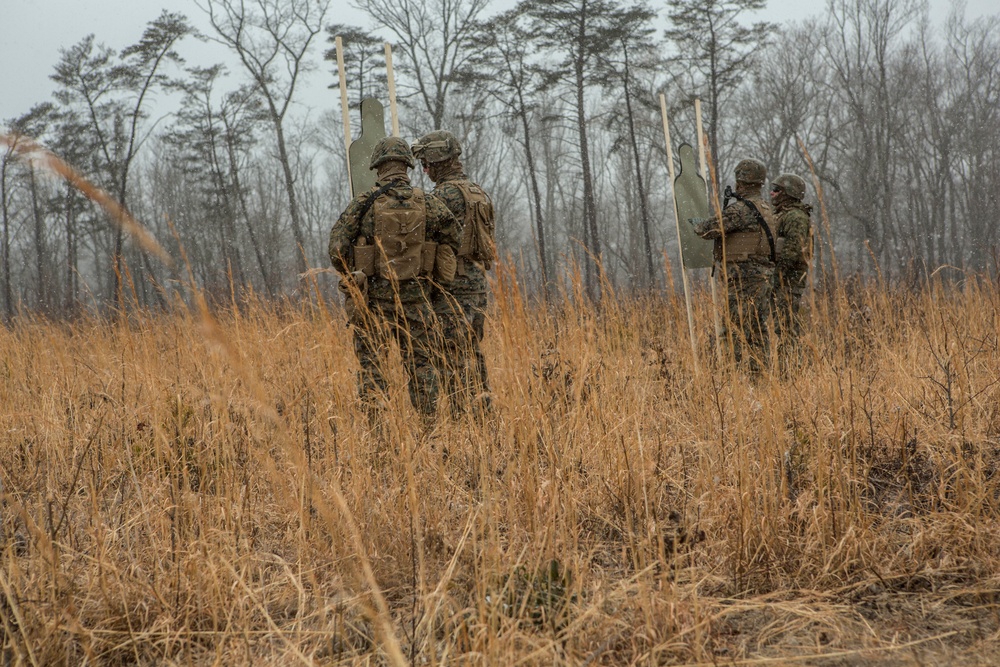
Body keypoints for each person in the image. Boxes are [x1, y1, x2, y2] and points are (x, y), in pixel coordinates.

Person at [328, 136, 462, 429]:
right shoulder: (428, 202)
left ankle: (378, 433)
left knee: (372, 367)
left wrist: (356, 271)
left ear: (378, 167)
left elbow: (336, 248)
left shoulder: (364, 203)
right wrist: (431, 260)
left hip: (374, 302)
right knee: (422, 365)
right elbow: (454, 236)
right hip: (418, 301)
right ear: (407, 166)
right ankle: (429, 428)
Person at [412, 130, 496, 415]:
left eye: (426, 162)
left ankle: (466, 423)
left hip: (451, 290)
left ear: (438, 160)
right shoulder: (477, 192)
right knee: (472, 353)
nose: (424, 169)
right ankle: (483, 416)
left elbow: (422, 240)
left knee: (452, 358)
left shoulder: (442, 196)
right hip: (476, 288)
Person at [690, 158, 776, 372]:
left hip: (743, 279)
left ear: (741, 182)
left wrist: (693, 222)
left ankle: (732, 378)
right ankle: (761, 377)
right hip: (763, 277)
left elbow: (707, 229)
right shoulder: (766, 207)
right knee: (758, 330)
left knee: (733, 330)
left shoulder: (741, 210)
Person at [769, 173, 813, 342]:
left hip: (788, 281)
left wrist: (776, 276)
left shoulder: (795, 216)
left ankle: (791, 367)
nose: (772, 193)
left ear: (788, 193)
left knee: (787, 330)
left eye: (776, 190)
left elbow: (792, 250)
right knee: (782, 327)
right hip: (782, 280)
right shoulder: (782, 214)